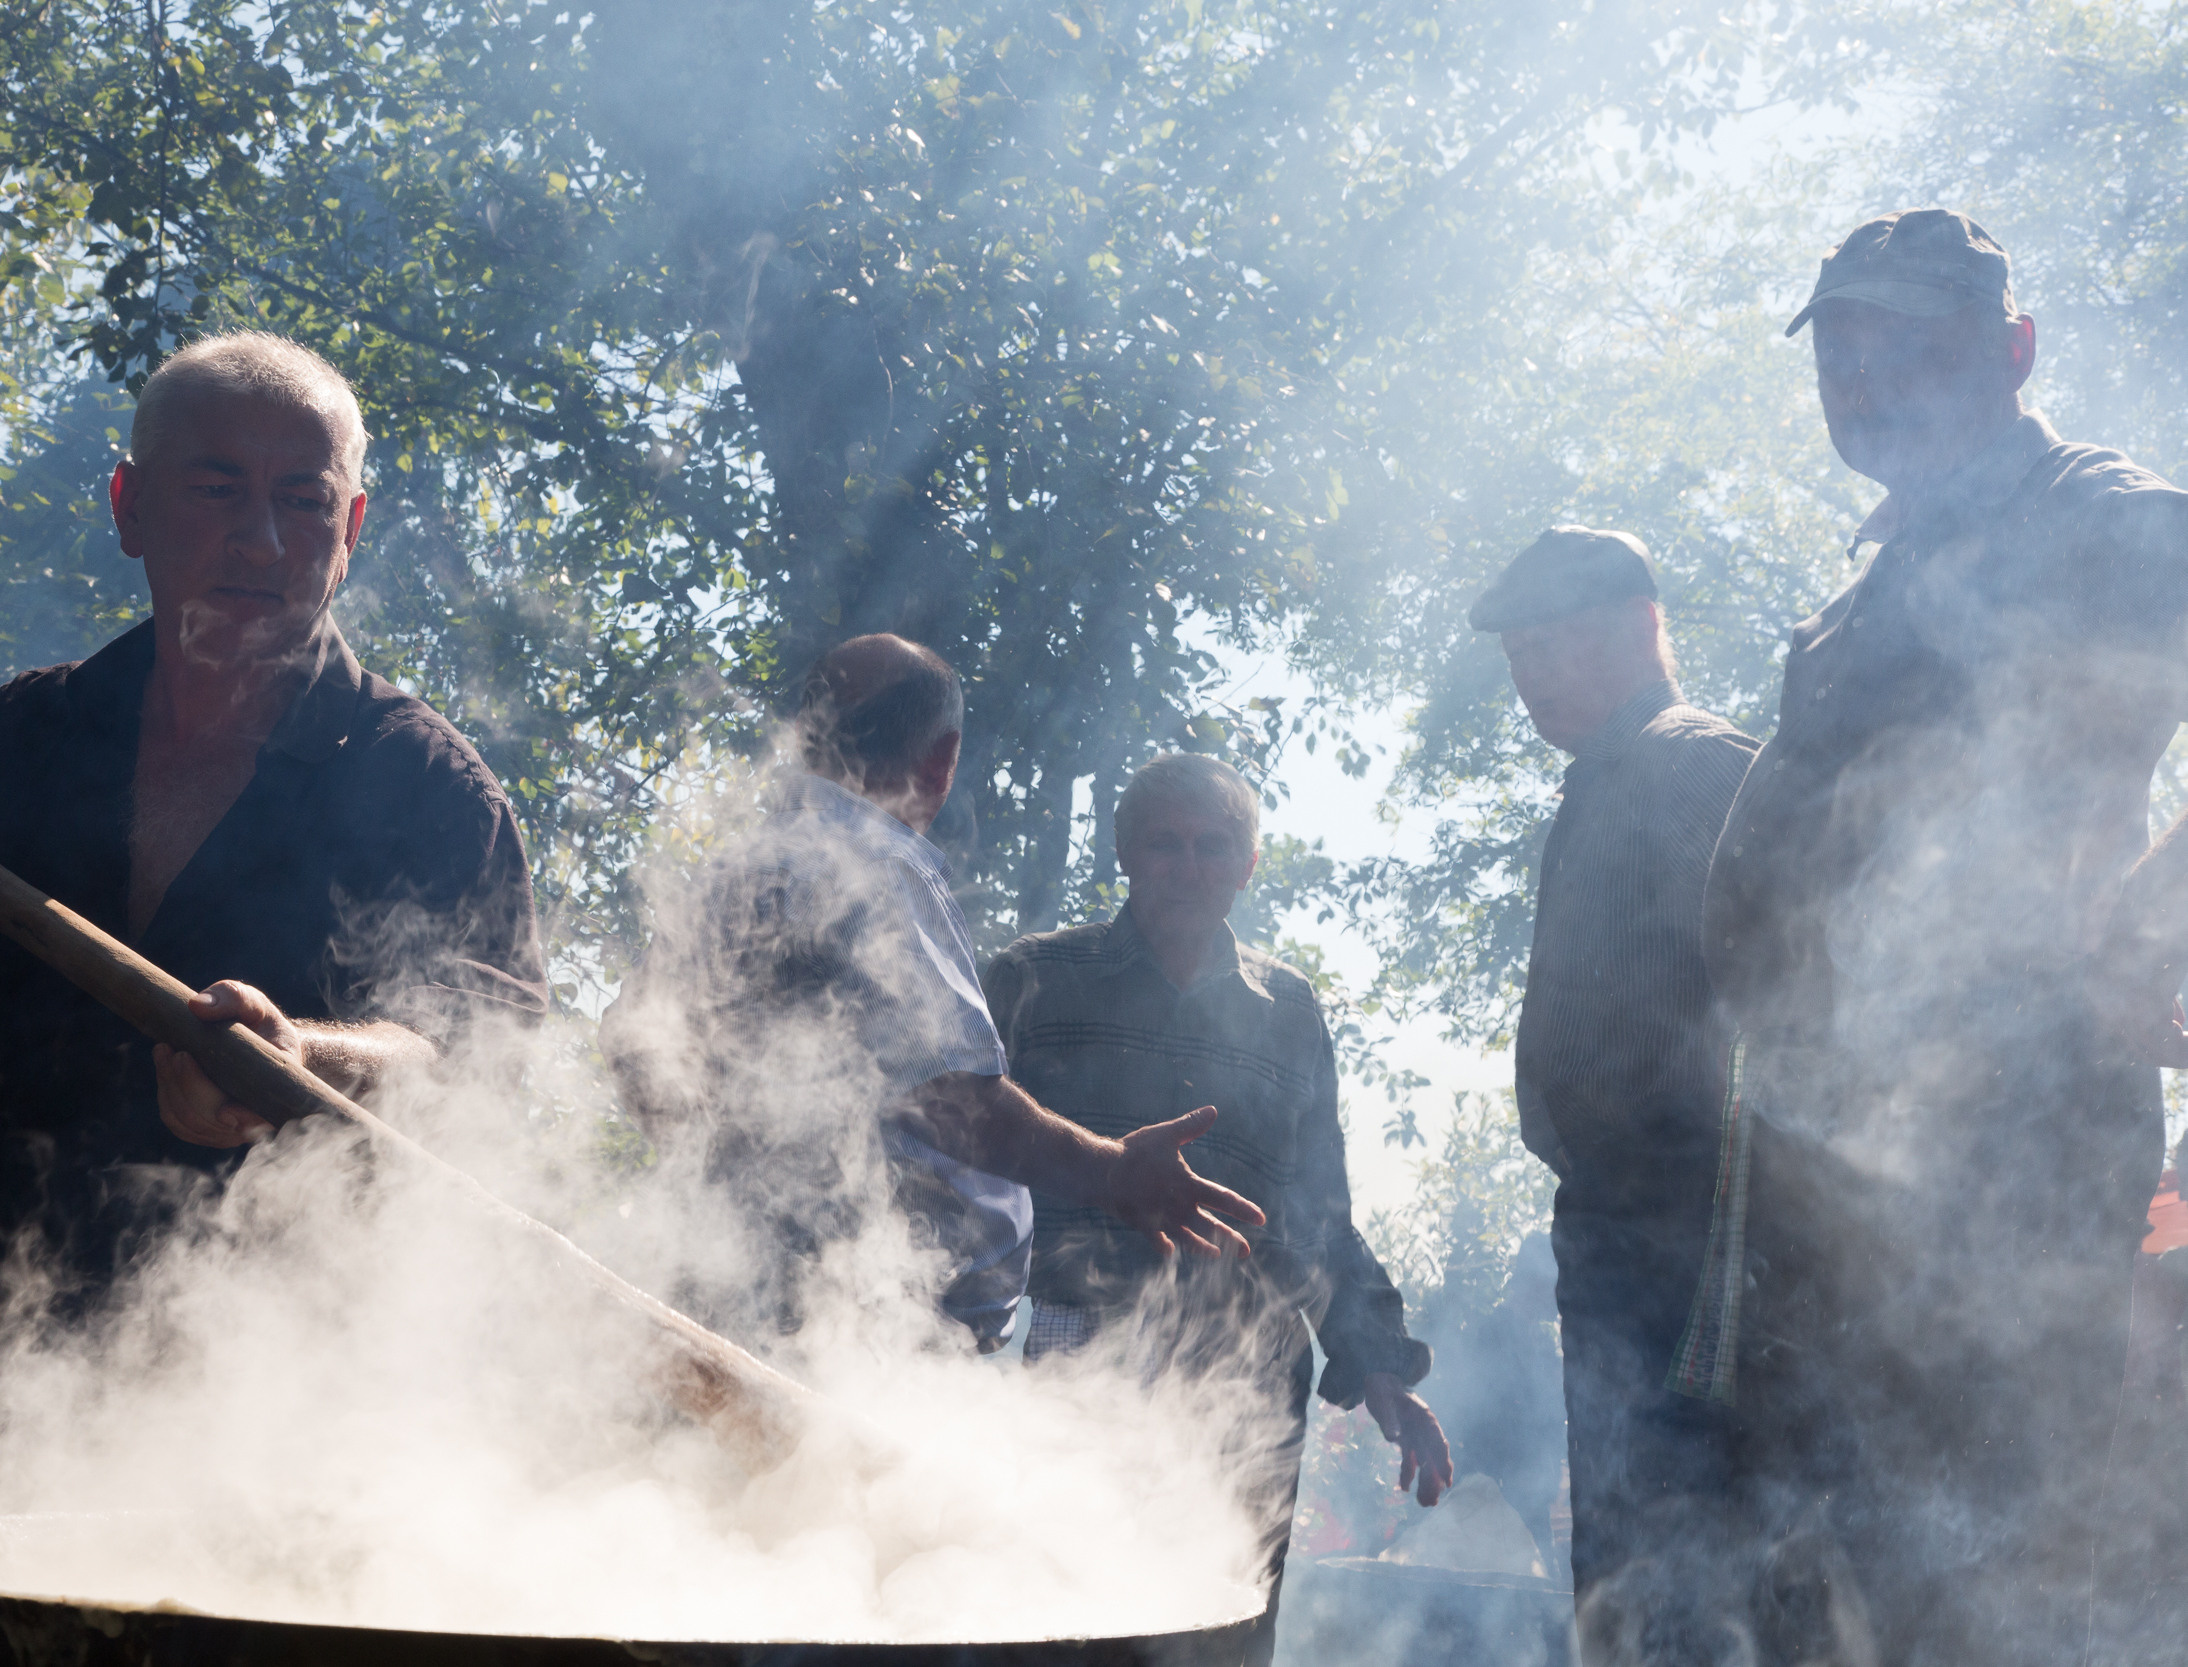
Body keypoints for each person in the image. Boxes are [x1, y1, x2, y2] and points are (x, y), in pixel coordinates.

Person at [0, 332, 548, 1371]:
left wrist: (306, 1059)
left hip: (266, 1432)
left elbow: (484, 1075)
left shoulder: (428, 789)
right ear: (129, 507)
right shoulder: (11, 743)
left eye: (304, 501)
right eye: (216, 490)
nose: (261, 539)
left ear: (350, 529)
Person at [1698, 208, 2188, 1666]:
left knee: (1990, 1582)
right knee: (1836, 1585)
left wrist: (2150, 920)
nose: (1866, 384)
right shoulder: (1858, 592)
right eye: (1841, 360)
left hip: (2009, 1160)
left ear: (2016, 350)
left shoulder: (2091, 512)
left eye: (1912, 346)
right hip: (1828, 1170)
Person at [599, 634, 1265, 1360]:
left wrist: (737, 1184)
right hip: (862, 1329)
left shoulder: (736, 867)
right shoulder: (876, 865)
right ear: (941, 759)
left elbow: (634, 1051)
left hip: (728, 1292)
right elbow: (956, 1101)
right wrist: (1112, 1170)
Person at [981, 752, 1450, 1667]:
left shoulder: (1288, 1008)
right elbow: (961, 1154)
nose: (1189, 865)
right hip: (1087, 1350)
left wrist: (1381, 1364)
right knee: (1061, 1617)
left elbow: (1318, 1206)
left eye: (1214, 845)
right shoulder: (1036, 980)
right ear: (1125, 852)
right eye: (1166, 843)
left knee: (1220, 1630)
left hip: (1249, 1376)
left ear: (1248, 862)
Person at [1470, 527, 1758, 1658]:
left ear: (1642, 625)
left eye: (1558, 642)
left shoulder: (1700, 766)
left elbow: (1793, 1002)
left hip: (1698, 1241)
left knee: (1689, 1557)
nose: (1534, 672)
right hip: (1613, 1232)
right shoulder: (1596, 781)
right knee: (1624, 1556)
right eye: (1519, 652)